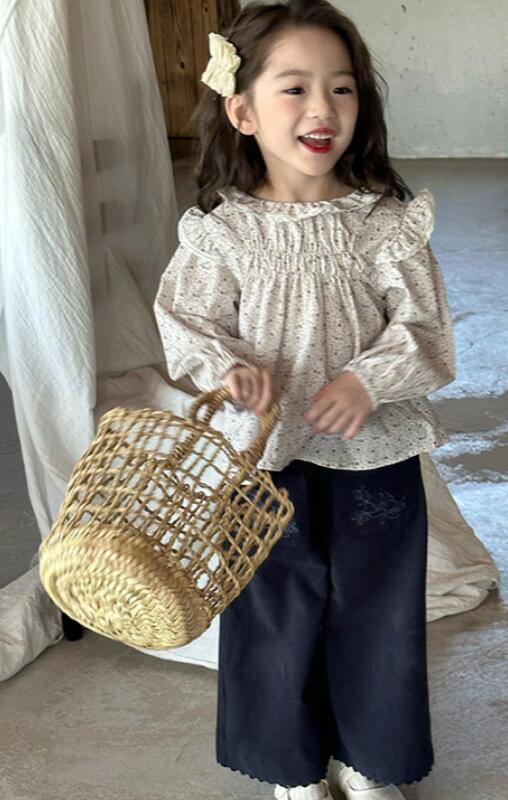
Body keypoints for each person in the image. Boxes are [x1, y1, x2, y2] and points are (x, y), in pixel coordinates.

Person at [153, 2, 456, 799]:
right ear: (242, 111)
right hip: (262, 458)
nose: (323, 109)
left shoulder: (384, 225)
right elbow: (187, 322)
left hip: (373, 453)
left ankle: (370, 757)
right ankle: (289, 766)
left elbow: (424, 328)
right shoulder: (222, 233)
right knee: (272, 606)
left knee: (377, 606)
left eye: (342, 88)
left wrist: (367, 381)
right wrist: (228, 368)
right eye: (294, 88)